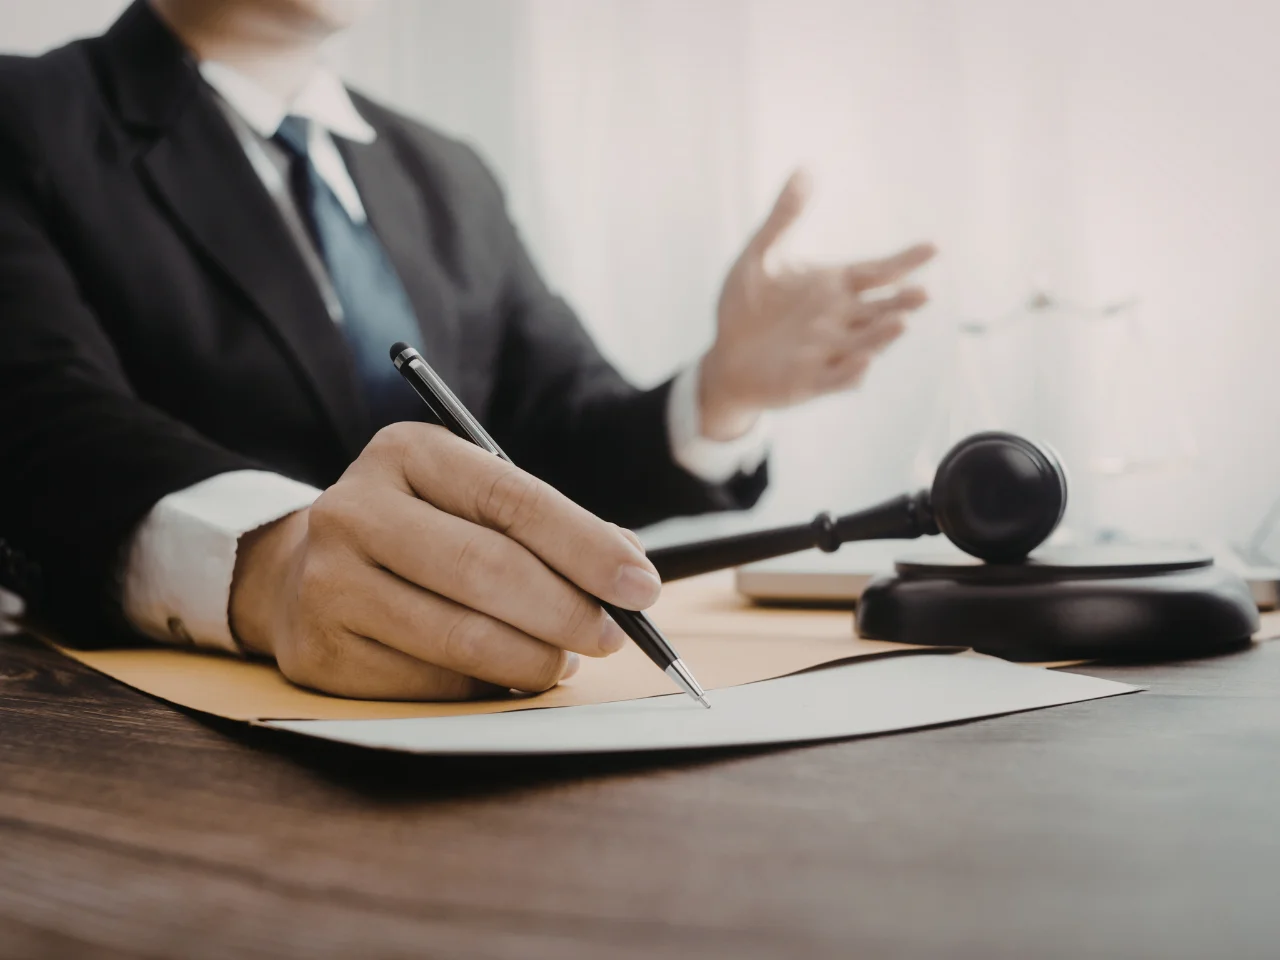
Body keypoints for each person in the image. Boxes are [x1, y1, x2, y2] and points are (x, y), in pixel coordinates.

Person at [0, 0, 934, 700]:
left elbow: (552, 447)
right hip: (147, 738)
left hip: (477, 725)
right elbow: (40, 417)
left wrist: (719, 394)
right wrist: (277, 571)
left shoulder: (446, 172)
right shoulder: (26, 114)